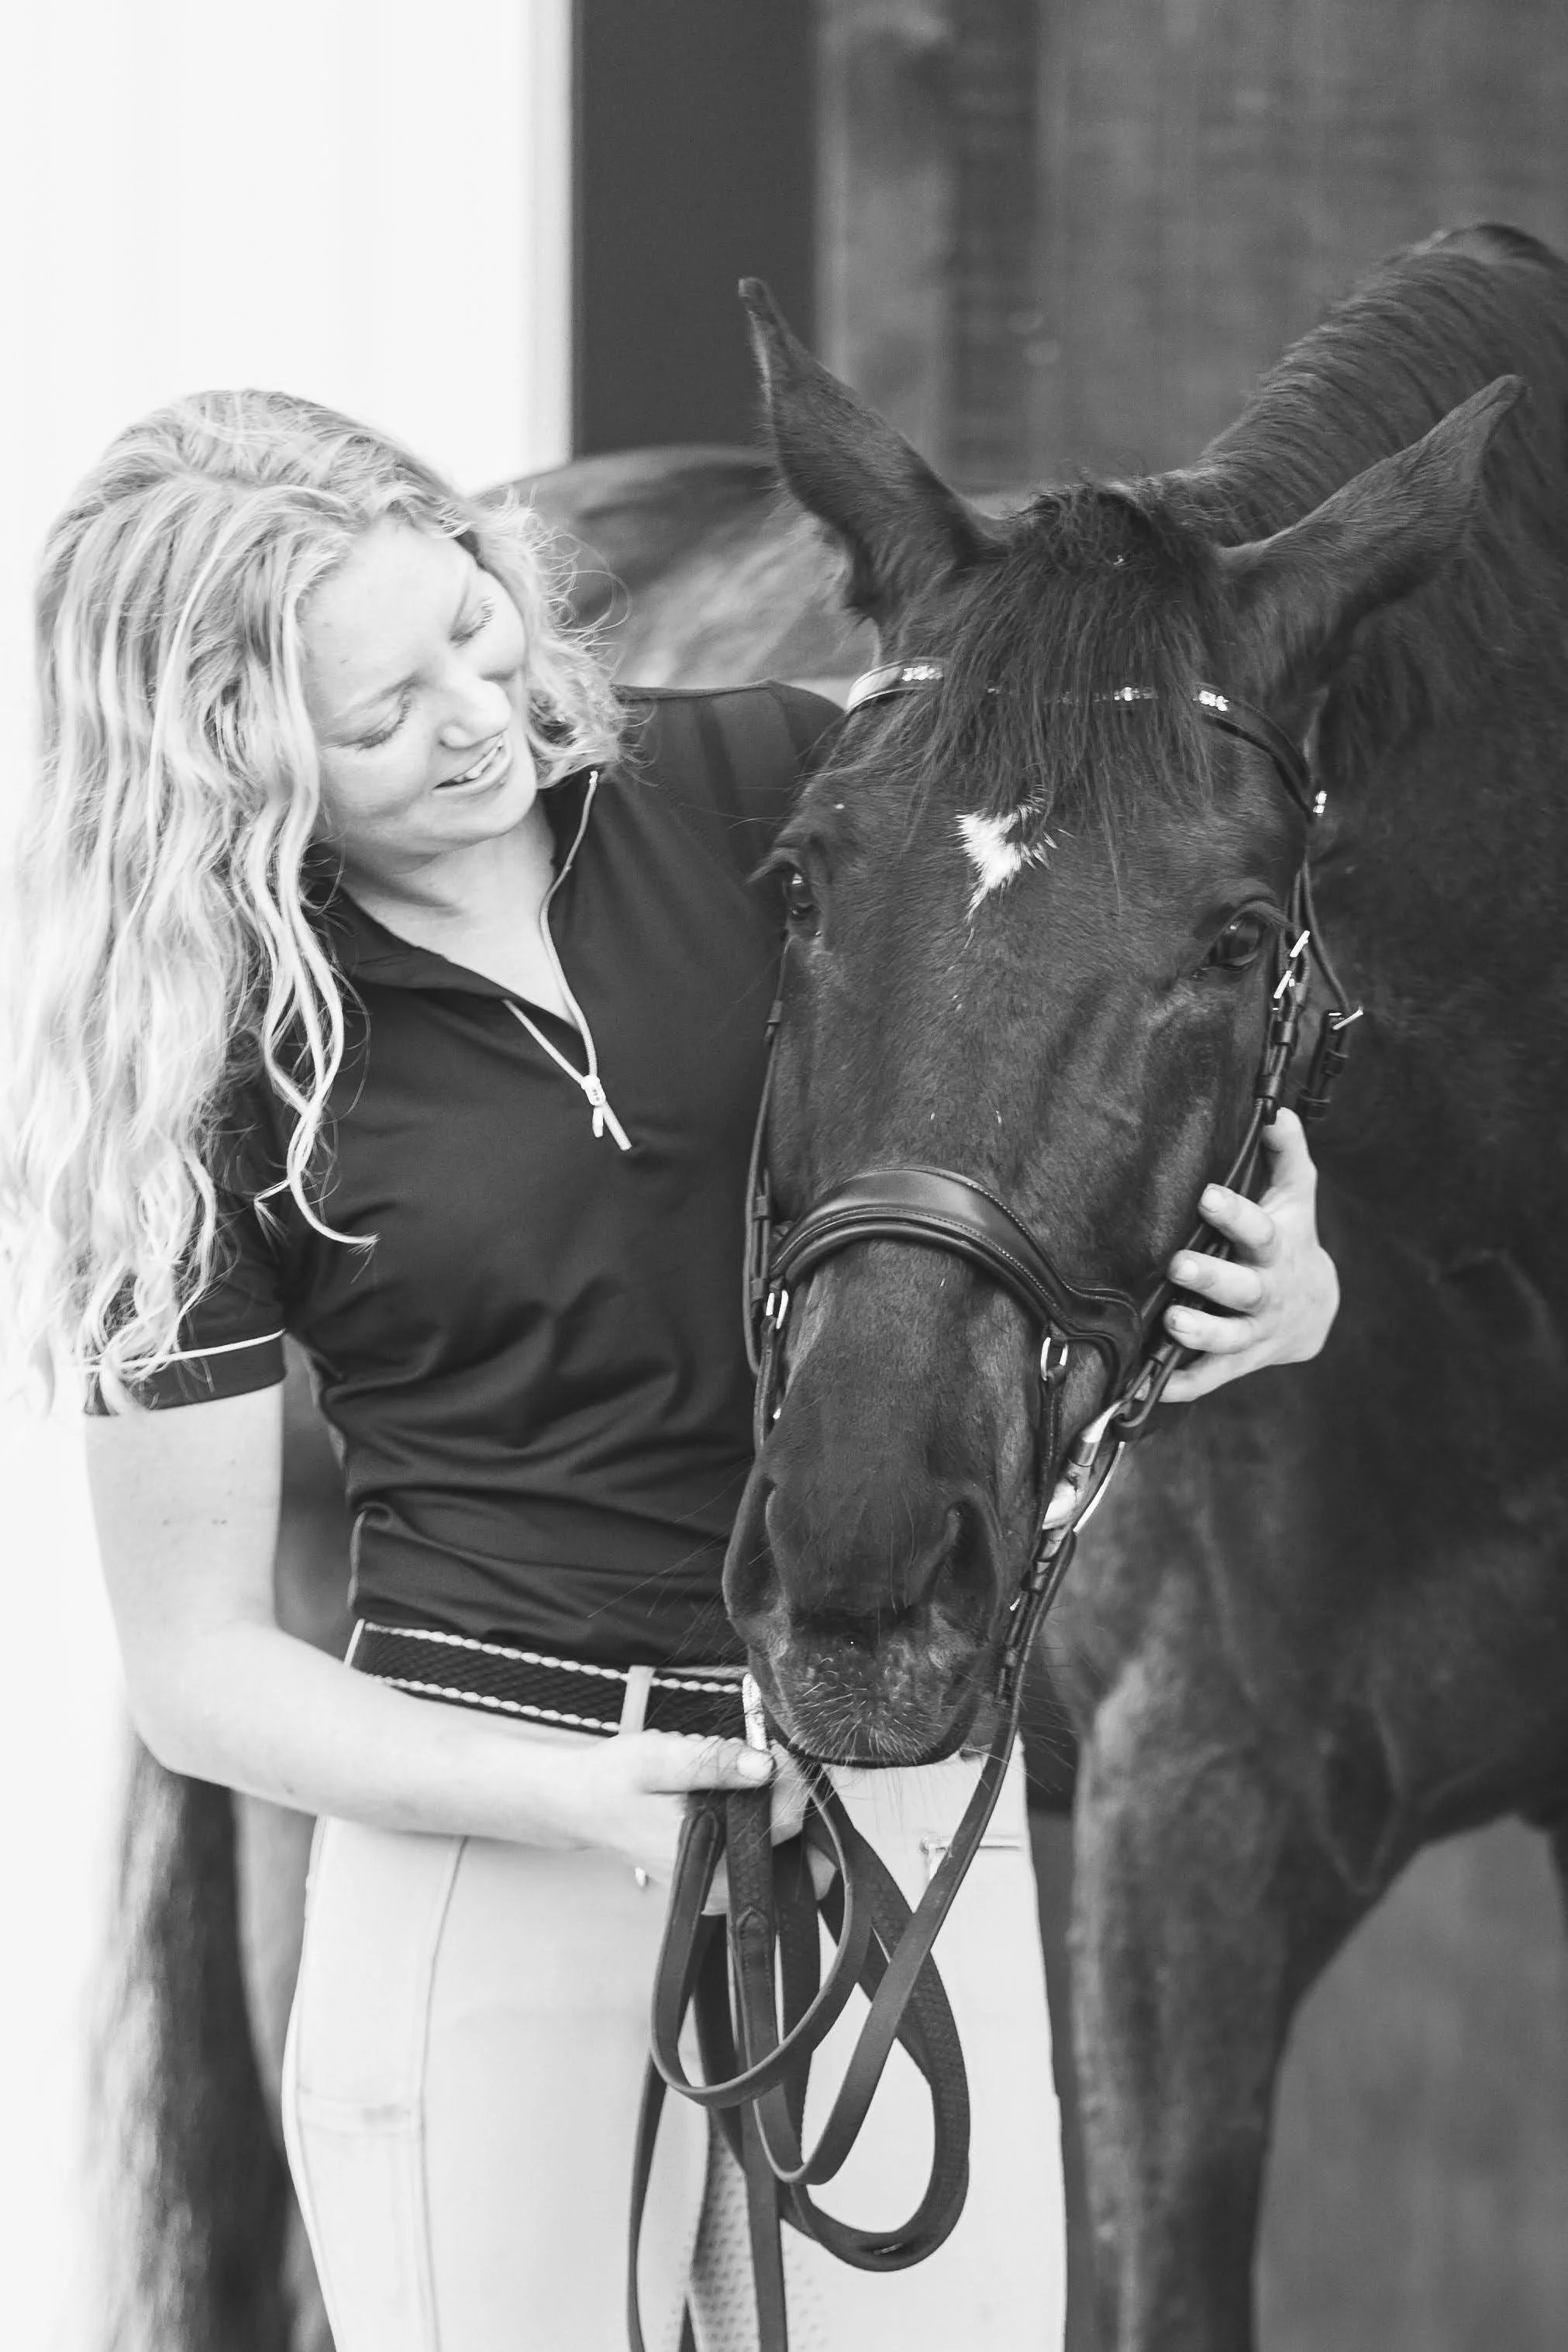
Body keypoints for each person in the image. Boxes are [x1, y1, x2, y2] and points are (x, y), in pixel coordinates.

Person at [2, 391, 1339, 2352]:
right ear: (227, 754)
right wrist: (574, 1796)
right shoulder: (201, 1074)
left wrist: (1291, 1281)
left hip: (885, 1779)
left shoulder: (768, 791)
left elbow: (1135, 1002)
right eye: (379, 717)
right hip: (490, 1830)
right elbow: (198, 1666)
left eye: (474, 623)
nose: (478, 712)